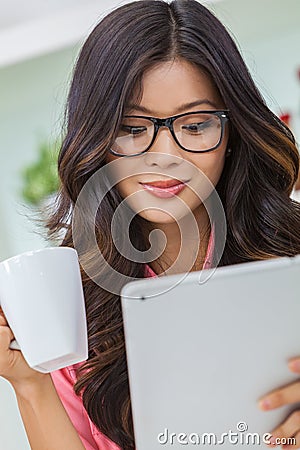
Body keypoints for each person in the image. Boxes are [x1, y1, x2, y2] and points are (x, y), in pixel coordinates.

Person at [0, 0, 300, 449]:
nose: (166, 157)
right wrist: (29, 385)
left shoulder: (291, 255)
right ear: (96, 140)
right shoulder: (74, 308)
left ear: (233, 132)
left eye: (195, 125)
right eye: (133, 128)